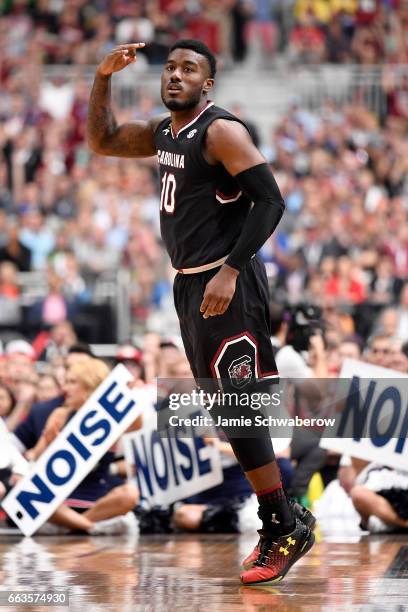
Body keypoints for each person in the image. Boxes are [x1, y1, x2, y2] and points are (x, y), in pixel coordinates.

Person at [87, 38, 315, 585]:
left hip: (226, 281)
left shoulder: (221, 131)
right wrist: (101, 79)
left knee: (240, 405)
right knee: (225, 407)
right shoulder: (165, 131)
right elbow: (103, 140)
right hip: (191, 284)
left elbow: (272, 200)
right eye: (170, 67)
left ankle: (282, 525)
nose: (175, 75)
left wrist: (232, 270)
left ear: (207, 83)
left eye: (188, 69)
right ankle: (286, 518)